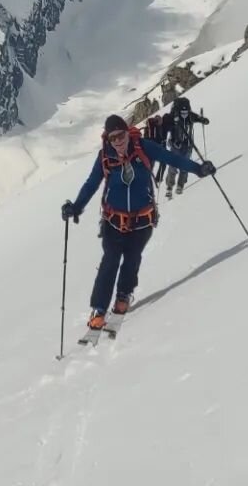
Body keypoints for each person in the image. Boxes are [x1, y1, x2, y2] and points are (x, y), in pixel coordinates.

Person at [61, 114, 213, 332]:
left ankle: (124, 294)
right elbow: (91, 184)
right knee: (110, 261)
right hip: (114, 222)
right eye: (112, 138)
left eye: (121, 135)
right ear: (107, 139)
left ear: (126, 132)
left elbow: (173, 159)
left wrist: (198, 169)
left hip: (143, 221)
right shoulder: (105, 157)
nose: (118, 141)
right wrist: (76, 207)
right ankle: (99, 309)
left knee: (132, 259)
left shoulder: (144, 147)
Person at [162, 96, 209, 196]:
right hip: (175, 146)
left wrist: (203, 120)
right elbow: (167, 127)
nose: (184, 114)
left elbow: (198, 118)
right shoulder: (173, 118)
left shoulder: (190, 116)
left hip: (187, 145)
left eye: (186, 112)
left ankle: (180, 185)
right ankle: (169, 187)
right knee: (173, 166)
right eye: (182, 112)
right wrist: (173, 141)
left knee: (185, 165)